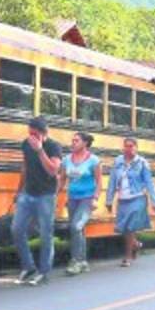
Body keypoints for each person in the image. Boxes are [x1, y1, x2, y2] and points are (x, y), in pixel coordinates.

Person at [12, 116, 62, 286]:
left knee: (45, 234)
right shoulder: (26, 144)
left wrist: (40, 151)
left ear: (44, 133)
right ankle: (29, 266)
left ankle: (44, 271)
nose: (31, 137)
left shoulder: (53, 147)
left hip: (46, 195)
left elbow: (53, 170)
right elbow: (25, 167)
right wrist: (18, 190)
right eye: (30, 133)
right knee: (17, 229)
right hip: (28, 193)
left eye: (35, 134)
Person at [105, 137, 155, 266]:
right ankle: (135, 244)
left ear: (136, 148)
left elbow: (149, 182)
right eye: (126, 146)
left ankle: (128, 257)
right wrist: (109, 200)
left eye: (131, 146)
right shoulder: (118, 162)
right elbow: (112, 181)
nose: (128, 149)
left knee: (130, 227)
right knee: (123, 228)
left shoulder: (142, 163)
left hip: (137, 197)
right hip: (123, 199)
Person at [57, 132, 101, 276]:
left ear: (85, 143)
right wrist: (55, 194)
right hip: (72, 199)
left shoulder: (93, 160)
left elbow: (99, 182)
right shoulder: (66, 160)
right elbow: (62, 179)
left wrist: (95, 198)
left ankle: (75, 261)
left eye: (76, 141)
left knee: (76, 226)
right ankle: (83, 262)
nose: (73, 143)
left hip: (87, 199)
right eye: (73, 140)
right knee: (77, 230)